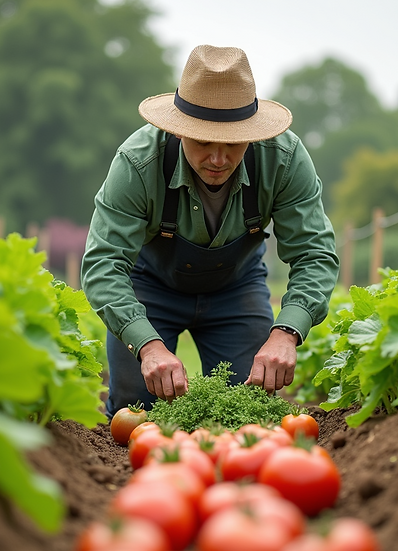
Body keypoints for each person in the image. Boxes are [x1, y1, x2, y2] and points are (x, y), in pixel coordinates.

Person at [81, 44, 339, 417]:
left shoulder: (283, 159)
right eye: (203, 141)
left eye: (233, 144)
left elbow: (314, 254)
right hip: (150, 289)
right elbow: (103, 264)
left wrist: (287, 332)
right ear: (179, 129)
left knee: (247, 411)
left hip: (237, 289)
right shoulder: (138, 163)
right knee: (136, 411)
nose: (218, 159)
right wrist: (147, 344)